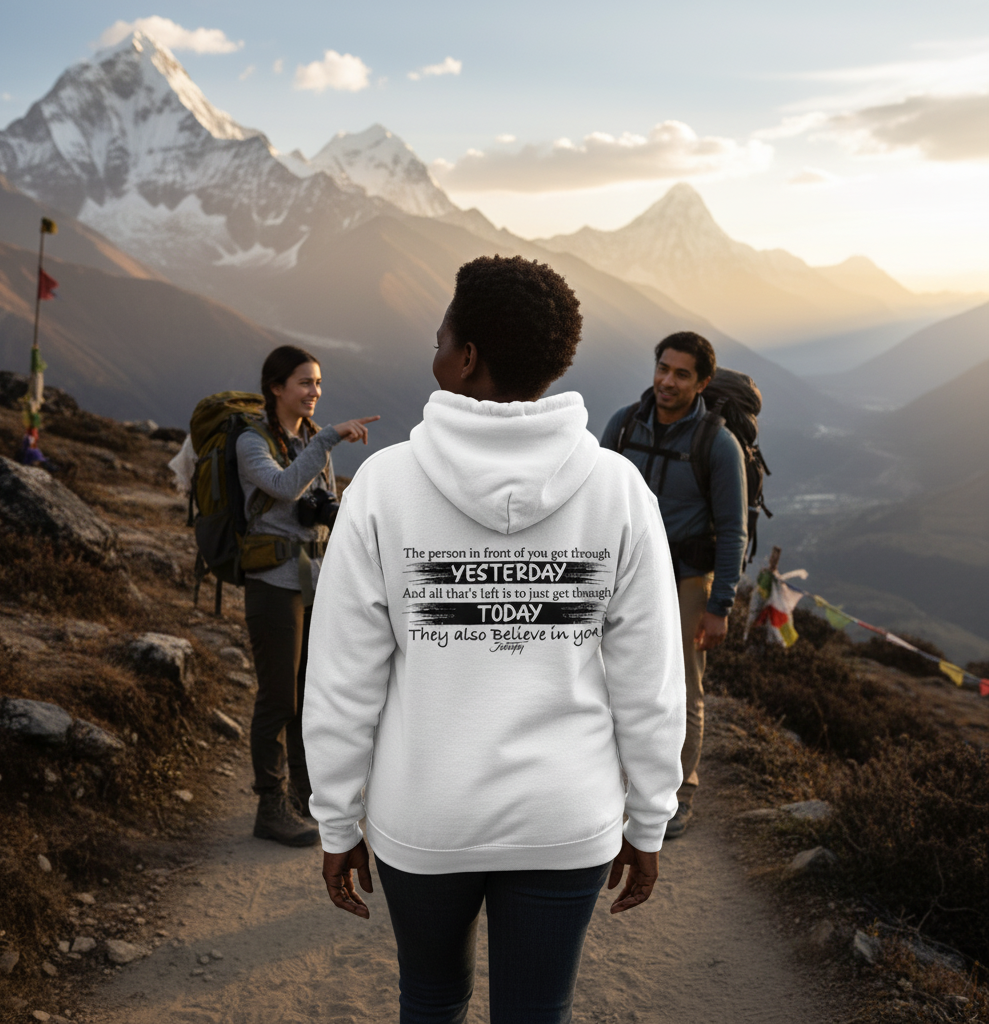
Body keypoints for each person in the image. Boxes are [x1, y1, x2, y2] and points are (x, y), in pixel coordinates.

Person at [303, 256, 685, 1023]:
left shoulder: (382, 485)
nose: (434, 349)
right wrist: (649, 818)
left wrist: (337, 819)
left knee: (433, 1001)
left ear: (466, 357)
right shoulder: (617, 490)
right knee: (537, 1012)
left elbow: (345, 676)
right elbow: (647, 680)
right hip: (565, 815)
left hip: (426, 817)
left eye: (441, 334)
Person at [601, 332, 747, 839]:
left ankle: (680, 791)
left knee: (684, 683)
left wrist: (720, 605)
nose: (667, 380)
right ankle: (618, 778)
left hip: (687, 576)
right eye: (663, 368)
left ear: (702, 382)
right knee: (608, 673)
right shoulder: (623, 424)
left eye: (681, 373)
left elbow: (733, 530)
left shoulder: (717, 443)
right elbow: (596, 496)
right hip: (623, 571)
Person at [236, 344, 378, 848]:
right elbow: (283, 486)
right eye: (304, 383)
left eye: (318, 383)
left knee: (305, 694)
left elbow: (319, 500)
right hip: (272, 584)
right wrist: (330, 440)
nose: (314, 392)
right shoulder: (251, 442)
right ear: (276, 388)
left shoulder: (311, 439)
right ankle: (269, 806)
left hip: (312, 582)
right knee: (277, 697)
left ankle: (302, 795)